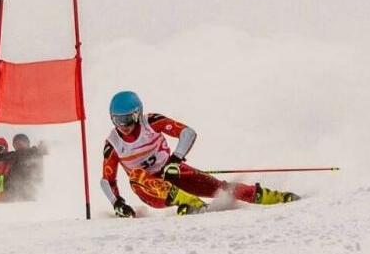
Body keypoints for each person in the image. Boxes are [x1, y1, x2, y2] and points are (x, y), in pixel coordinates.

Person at [100, 91, 299, 217]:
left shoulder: (150, 122)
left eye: (128, 119)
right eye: (117, 120)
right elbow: (107, 180)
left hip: (172, 172)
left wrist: (175, 160)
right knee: (136, 175)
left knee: (222, 190)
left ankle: (271, 197)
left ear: (138, 113)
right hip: (150, 189)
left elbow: (187, 133)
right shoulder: (113, 143)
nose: (123, 126)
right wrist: (117, 203)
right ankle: (189, 202)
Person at [2, 133, 48, 201]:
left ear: (28, 143)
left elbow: (46, 150)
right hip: (12, 193)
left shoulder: (34, 152)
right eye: (16, 143)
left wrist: (45, 146)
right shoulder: (12, 156)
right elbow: (1, 157)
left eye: (22, 141)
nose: (19, 144)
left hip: (31, 191)